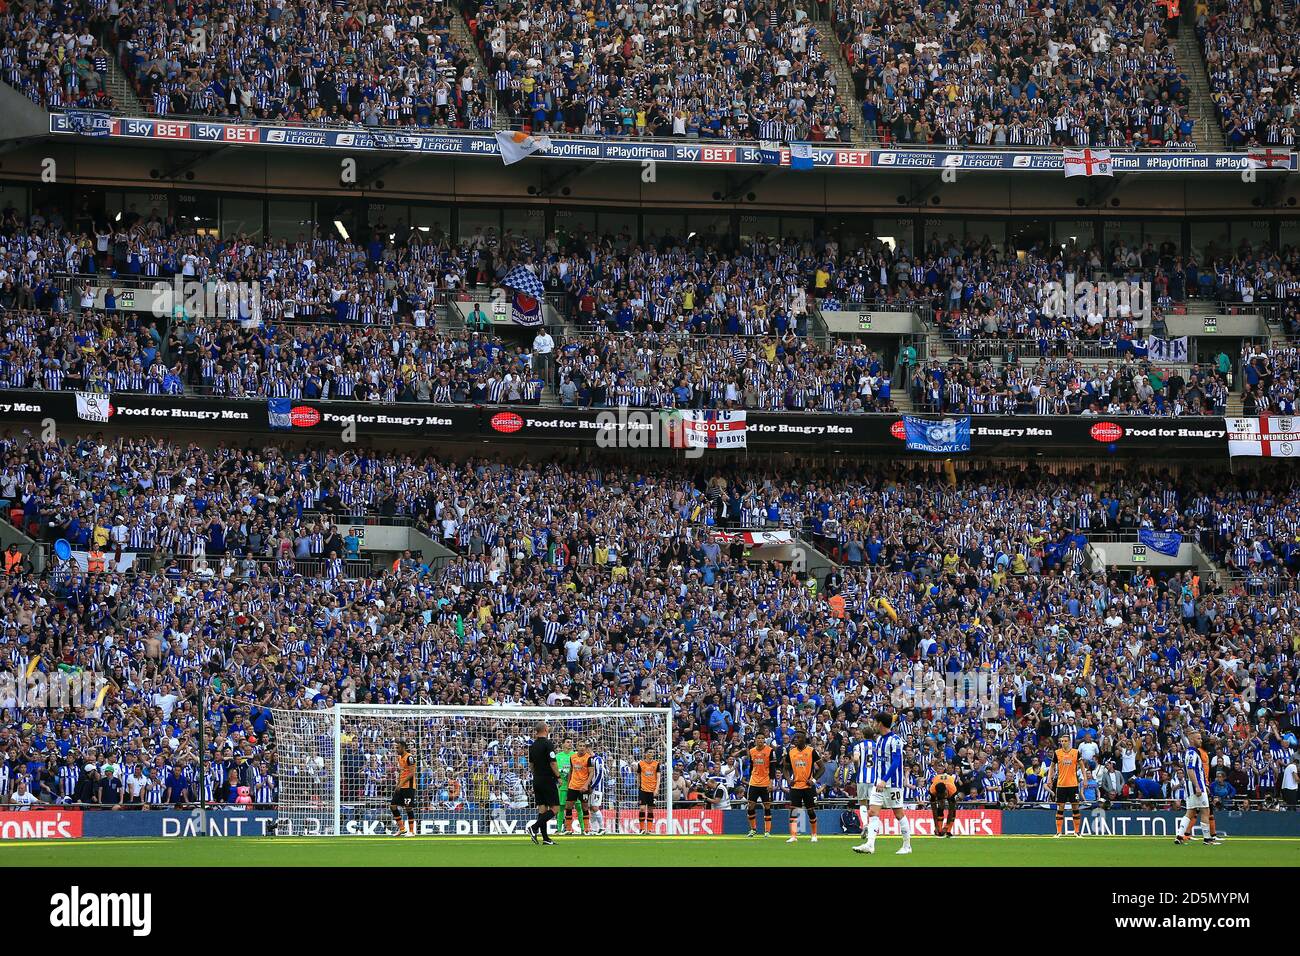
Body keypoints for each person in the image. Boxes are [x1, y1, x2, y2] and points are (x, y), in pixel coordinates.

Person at [855, 711, 912, 855]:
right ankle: (870, 845)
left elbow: (897, 762)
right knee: (872, 811)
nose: (873, 724)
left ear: (880, 723)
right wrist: (878, 780)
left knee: (899, 814)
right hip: (878, 784)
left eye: (875, 722)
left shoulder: (895, 740)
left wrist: (885, 779)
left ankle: (907, 846)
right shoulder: (879, 740)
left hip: (892, 784)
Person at [1175, 730, 1220, 846]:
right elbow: (1190, 770)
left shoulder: (1192, 753)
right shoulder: (1192, 754)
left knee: (1190, 812)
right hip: (1196, 786)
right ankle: (1207, 839)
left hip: (1193, 786)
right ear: (1191, 740)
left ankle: (1179, 835)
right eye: (1198, 738)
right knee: (1205, 810)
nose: (1201, 740)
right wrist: (1198, 787)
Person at [783, 730, 823, 843]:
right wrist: (788, 779)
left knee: (810, 811)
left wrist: (813, 780)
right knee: (794, 811)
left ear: (804, 739)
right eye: (794, 738)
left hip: (808, 787)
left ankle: (814, 835)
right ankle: (793, 836)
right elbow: (785, 768)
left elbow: (822, 768)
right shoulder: (791, 752)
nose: (795, 740)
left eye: (798, 738)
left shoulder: (811, 751)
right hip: (796, 786)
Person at [524, 720, 559, 846]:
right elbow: (553, 762)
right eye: (548, 727)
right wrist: (558, 776)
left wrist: (536, 775)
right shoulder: (548, 744)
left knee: (542, 810)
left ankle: (545, 838)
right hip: (547, 779)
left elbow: (531, 764)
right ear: (545, 729)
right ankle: (534, 827)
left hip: (537, 779)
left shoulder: (532, 746)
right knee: (556, 808)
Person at [1049, 733, 1085, 838]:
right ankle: (1059, 832)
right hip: (1061, 785)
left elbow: (1082, 766)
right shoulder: (1057, 753)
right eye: (1061, 741)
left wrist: (1085, 779)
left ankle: (1077, 831)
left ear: (1069, 742)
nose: (1063, 743)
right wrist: (1049, 779)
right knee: (1060, 807)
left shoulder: (1076, 752)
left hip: (1073, 784)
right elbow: (1052, 767)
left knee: (1075, 807)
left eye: (1065, 741)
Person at [848, 724, 877, 850]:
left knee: (862, 803)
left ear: (864, 736)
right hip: (875, 779)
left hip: (862, 778)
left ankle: (865, 823)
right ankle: (871, 827)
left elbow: (855, 759)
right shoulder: (877, 746)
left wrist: (858, 767)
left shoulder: (858, 746)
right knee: (874, 805)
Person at [744, 734, 776, 837]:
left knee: (767, 805)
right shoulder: (752, 751)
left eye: (762, 738)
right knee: (751, 805)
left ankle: (767, 831)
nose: (760, 740)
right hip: (754, 782)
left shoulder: (770, 751)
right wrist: (750, 778)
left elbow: (772, 768)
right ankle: (753, 829)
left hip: (765, 782)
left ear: (764, 740)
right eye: (758, 738)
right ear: (755, 740)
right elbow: (751, 766)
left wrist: (771, 782)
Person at [564, 740, 594, 835]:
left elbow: (592, 773)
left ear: (585, 748)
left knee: (584, 807)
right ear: (577, 747)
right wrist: (568, 784)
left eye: (583, 746)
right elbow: (571, 771)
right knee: (568, 806)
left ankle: (586, 830)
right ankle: (568, 829)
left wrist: (586, 785)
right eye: (580, 745)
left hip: (583, 787)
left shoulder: (589, 758)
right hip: (573, 786)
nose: (581, 747)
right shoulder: (572, 757)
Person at [389, 740, 417, 836]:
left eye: (398, 747)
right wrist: (398, 784)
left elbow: (411, 773)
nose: (397, 749)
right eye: (396, 748)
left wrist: (401, 784)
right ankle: (402, 829)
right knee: (393, 806)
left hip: (409, 786)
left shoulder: (409, 757)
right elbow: (403, 772)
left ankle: (412, 831)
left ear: (404, 747)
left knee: (408, 808)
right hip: (401, 785)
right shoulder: (399, 758)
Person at [929, 763, 959, 838]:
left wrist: (946, 826)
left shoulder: (953, 790)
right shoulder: (932, 791)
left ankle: (948, 831)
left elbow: (951, 810)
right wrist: (935, 826)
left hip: (950, 783)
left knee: (953, 809)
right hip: (937, 781)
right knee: (940, 807)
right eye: (943, 795)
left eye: (945, 794)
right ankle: (939, 830)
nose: (945, 796)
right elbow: (934, 810)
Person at [636, 748, 660, 834]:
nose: (652, 754)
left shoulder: (656, 764)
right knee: (642, 808)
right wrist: (639, 786)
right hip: (643, 789)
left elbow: (658, 777)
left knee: (650, 809)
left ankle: (649, 829)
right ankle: (642, 829)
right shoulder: (641, 764)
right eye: (650, 752)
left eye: (653, 752)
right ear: (645, 754)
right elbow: (638, 775)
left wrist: (656, 789)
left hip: (653, 790)